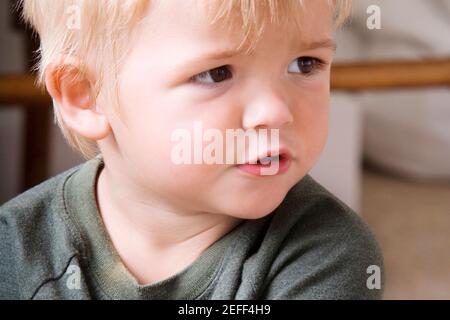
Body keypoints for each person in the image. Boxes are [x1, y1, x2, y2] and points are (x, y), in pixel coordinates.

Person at [0, 0, 383, 299]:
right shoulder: (14, 249)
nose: (276, 111)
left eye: (305, 64)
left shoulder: (329, 254)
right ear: (85, 97)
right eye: (217, 73)